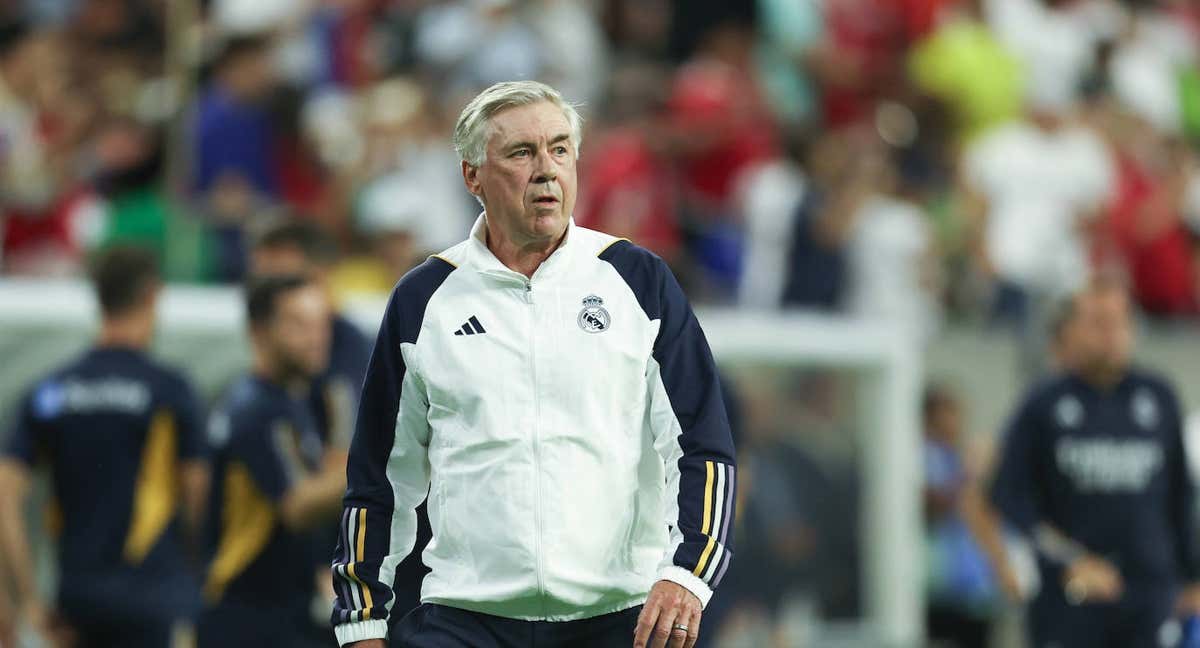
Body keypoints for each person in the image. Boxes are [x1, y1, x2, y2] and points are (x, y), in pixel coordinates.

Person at [330, 80, 737, 648]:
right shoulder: (424, 299)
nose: (547, 169)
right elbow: (379, 475)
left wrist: (689, 573)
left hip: (616, 618)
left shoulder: (638, 282)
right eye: (522, 153)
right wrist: (363, 621)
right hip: (462, 619)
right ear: (473, 177)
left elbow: (702, 445)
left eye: (561, 148)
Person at [0, 245, 209, 647]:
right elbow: (197, 495)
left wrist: (25, 598)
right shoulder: (169, 390)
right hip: (154, 597)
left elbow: (6, 496)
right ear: (152, 295)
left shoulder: (54, 390)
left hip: (76, 601)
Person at [981, 278, 1200, 647]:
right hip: (1072, 598)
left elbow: (1180, 495)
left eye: (1121, 322)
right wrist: (1069, 560)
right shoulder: (1044, 405)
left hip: (1150, 594)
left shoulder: (1158, 397)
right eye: (1098, 322)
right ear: (1069, 332)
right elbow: (1009, 497)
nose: (1112, 334)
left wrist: (1193, 575)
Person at [197, 274, 346, 647]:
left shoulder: (292, 399)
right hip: (248, 618)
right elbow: (297, 506)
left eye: (321, 323)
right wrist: (385, 458)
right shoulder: (256, 409)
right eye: (299, 324)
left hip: (281, 612)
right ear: (260, 332)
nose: (316, 337)